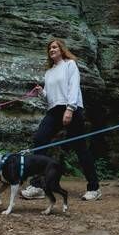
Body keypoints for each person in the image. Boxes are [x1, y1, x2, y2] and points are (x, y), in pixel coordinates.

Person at [21, 39, 101, 201]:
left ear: (61, 49)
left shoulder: (70, 64)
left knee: (80, 148)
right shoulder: (49, 72)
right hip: (54, 110)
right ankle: (37, 186)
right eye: (50, 48)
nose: (52, 49)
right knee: (40, 140)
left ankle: (94, 188)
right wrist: (42, 92)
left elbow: (74, 86)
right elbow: (49, 98)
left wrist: (70, 109)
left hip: (71, 108)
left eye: (55, 47)